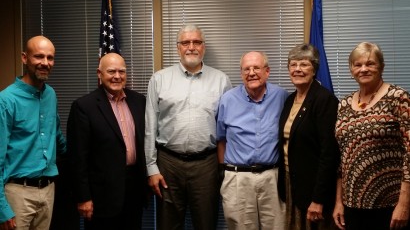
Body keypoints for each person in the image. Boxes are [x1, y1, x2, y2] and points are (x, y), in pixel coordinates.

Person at [145, 24, 232, 229]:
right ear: (178, 48)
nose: (191, 47)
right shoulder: (159, 79)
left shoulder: (221, 81)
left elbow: (227, 130)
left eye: (197, 42)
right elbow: (150, 126)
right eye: (186, 42)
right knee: (168, 224)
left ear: (204, 47)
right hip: (168, 164)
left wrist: (224, 168)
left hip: (206, 165)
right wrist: (151, 168)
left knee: (206, 223)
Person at [333, 42, 410, 230]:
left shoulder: (398, 97)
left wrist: (404, 203)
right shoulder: (343, 104)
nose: (363, 69)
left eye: (370, 64)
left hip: (390, 203)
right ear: (351, 69)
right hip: (352, 204)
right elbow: (341, 157)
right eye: (357, 65)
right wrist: (339, 201)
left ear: (381, 67)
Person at [67, 53, 148, 230]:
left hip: (134, 190)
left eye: (122, 71)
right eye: (111, 71)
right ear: (99, 73)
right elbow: (77, 157)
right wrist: (83, 197)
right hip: (102, 196)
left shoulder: (139, 101)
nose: (117, 76)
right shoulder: (84, 106)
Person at [216, 51, 288, 230]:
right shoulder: (227, 100)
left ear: (267, 71)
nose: (251, 73)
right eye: (246, 69)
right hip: (238, 179)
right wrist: (225, 172)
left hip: (272, 177)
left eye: (256, 67)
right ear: (241, 74)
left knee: (278, 226)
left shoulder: (282, 97)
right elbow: (221, 139)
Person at [0, 35, 66, 230]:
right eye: (39, 56)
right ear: (24, 58)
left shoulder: (50, 95)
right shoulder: (6, 100)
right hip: (17, 194)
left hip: (47, 191)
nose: (45, 63)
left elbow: (58, 139)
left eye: (50, 58)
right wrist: (2, 209)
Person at [278, 44, 339, 230]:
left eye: (304, 64)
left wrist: (318, 199)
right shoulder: (289, 100)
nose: (297, 69)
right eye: (293, 64)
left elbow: (329, 154)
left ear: (314, 69)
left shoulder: (324, 100)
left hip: (313, 188)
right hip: (292, 182)